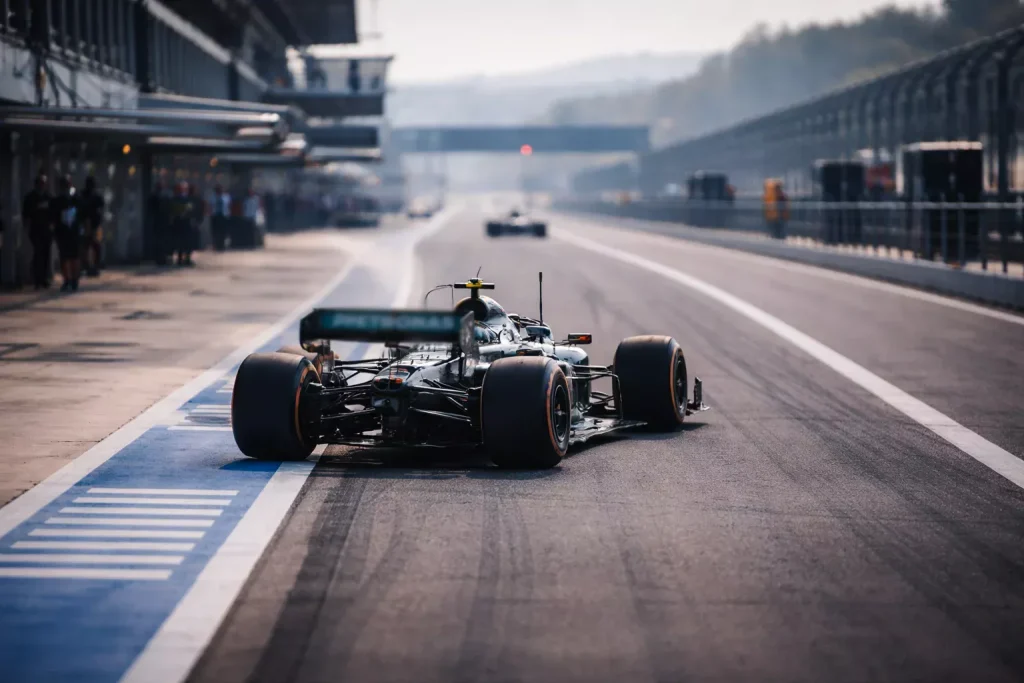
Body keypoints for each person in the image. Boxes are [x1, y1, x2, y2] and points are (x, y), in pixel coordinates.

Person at [51, 175, 82, 291]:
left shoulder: (76, 199)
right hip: (62, 232)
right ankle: (67, 279)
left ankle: (74, 279)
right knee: (64, 257)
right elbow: (53, 218)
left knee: (74, 257)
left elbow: (82, 214)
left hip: (74, 232)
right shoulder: (57, 201)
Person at [22, 173, 53, 289]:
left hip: (47, 231)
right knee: (37, 254)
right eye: (40, 183)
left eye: (44, 183)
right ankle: (37, 279)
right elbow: (26, 215)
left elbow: (54, 214)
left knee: (46, 254)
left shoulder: (49, 197)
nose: (42, 185)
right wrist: (26, 228)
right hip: (35, 230)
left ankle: (44, 278)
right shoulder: (30, 198)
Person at [79, 176, 105, 276]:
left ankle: (94, 266)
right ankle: (87, 266)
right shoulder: (83, 195)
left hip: (95, 225)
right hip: (85, 225)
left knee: (95, 246)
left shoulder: (96, 196)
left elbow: (101, 208)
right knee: (86, 247)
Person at [169, 181, 194, 266]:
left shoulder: (188, 199)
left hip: (186, 223)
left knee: (188, 242)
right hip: (178, 223)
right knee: (179, 241)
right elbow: (173, 211)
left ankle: (187, 258)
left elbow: (190, 210)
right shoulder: (174, 199)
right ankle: (179, 258)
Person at [210, 184, 231, 250]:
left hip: (224, 216)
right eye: (218, 189)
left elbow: (229, 205)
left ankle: (222, 245)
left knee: (223, 231)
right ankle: (216, 245)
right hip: (215, 216)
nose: (219, 191)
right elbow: (210, 206)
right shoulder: (212, 197)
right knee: (216, 232)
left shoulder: (226, 197)